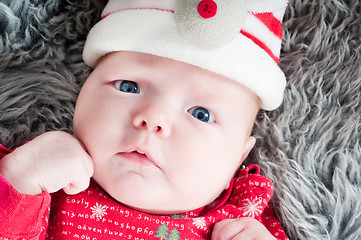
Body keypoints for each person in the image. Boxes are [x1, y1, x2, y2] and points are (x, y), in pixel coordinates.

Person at [0, 0, 289, 239]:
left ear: (239, 155)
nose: (153, 118)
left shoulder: (244, 222)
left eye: (201, 114)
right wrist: (17, 181)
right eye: (128, 86)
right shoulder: (44, 180)